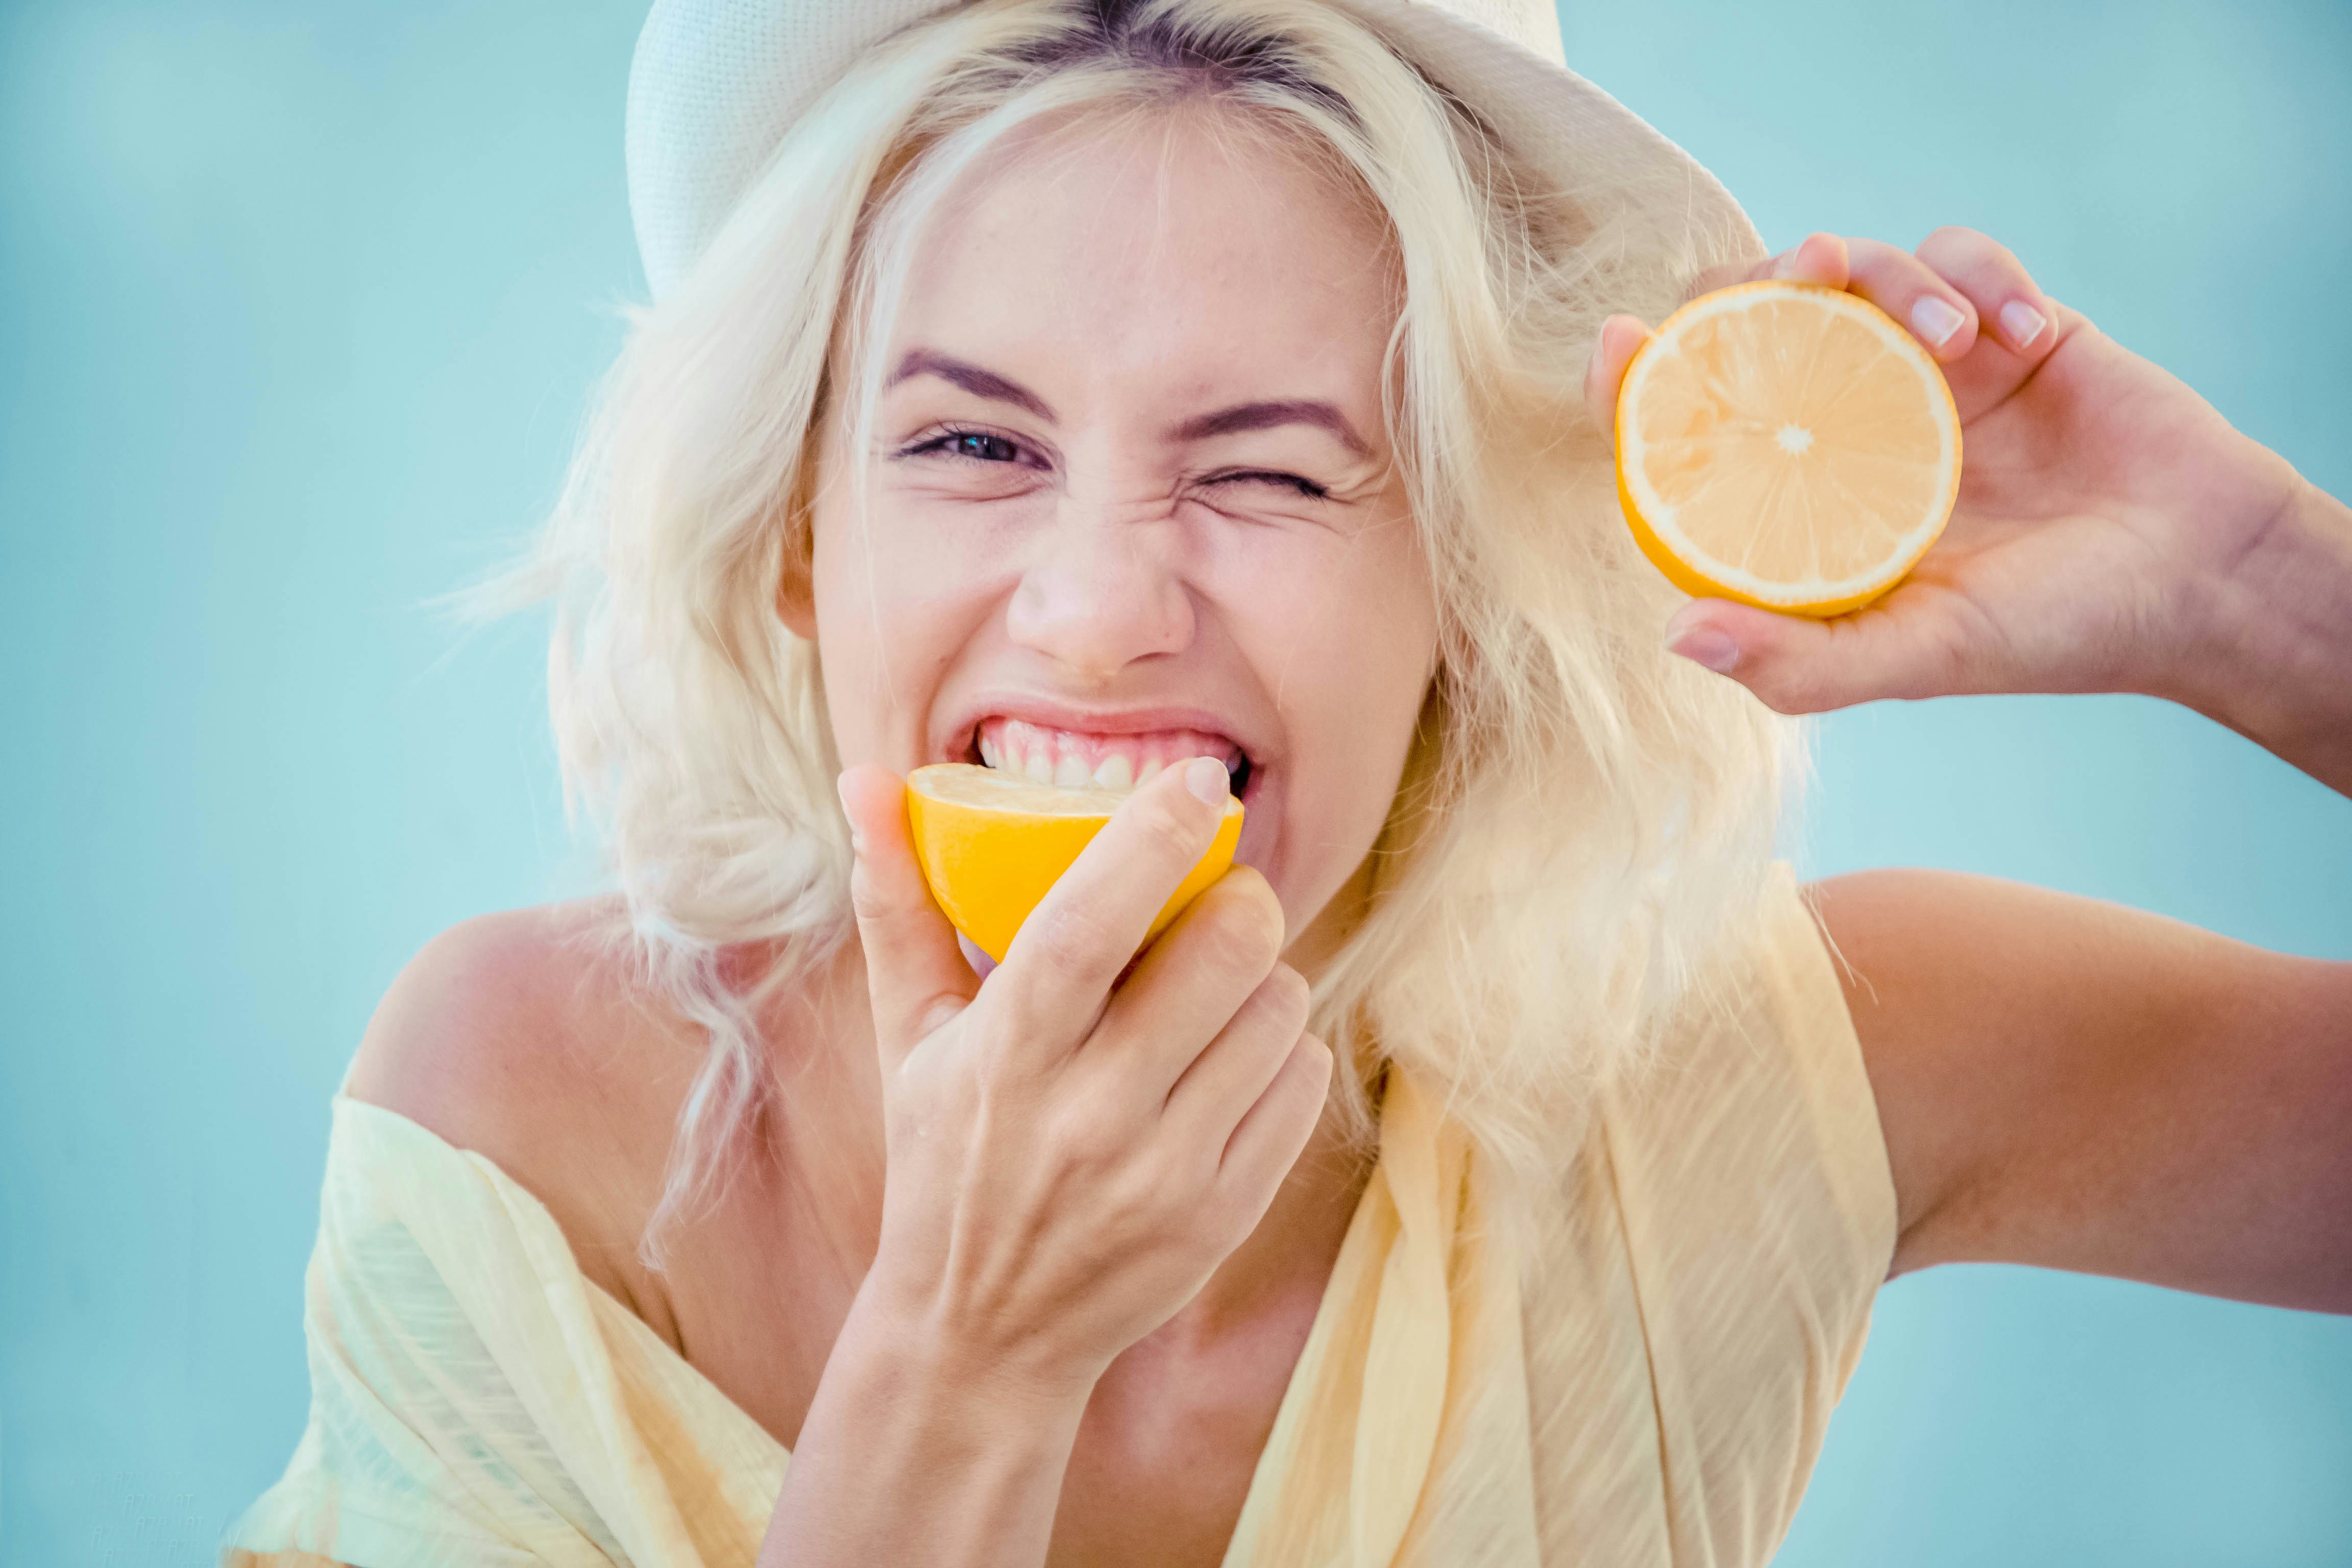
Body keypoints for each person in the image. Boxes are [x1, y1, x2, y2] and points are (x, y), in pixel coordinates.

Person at [220, 1, 2352, 1564]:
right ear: (800, 537)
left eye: (1265, 470)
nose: (1097, 612)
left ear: (1466, 580)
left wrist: (2271, 607)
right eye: (971, 445)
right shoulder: (518, 1118)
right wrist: (964, 1361)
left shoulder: (1767, 1078)